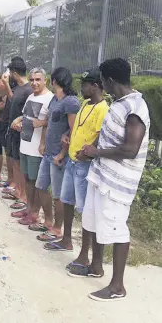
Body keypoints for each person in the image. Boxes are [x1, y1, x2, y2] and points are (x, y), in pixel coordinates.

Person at [79, 58, 150, 302]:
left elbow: (130, 149)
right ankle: (96, 266)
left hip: (118, 183)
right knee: (95, 220)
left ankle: (117, 286)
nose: (101, 85)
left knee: (117, 229)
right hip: (101, 177)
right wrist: (90, 151)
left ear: (109, 80)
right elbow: (108, 138)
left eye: (102, 80)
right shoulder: (118, 103)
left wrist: (96, 152)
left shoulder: (135, 108)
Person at [47, 67, 108, 257]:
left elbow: (99, 135)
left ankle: (85, 252)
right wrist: (67, 135)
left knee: (85, 210)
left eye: (85, 85)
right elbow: (77, 128)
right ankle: (66, 240)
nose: (81, 88)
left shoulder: (102, 109)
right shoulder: (85, 104)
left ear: (96, 86)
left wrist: (87, 153)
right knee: (66, 200)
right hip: (72, 161)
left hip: (85, 164)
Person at [33, 67, 80, 242]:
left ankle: (57, 229)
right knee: (41, 186)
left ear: (54, 81)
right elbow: (51, 121)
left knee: (59, 195)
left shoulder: (71, 102)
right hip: (48, 152)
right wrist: (43, 142)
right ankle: (48, 221)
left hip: (60, 156)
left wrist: (62, 153)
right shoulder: (55, 99)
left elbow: (73, 130)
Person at [10, 68, 54, 227]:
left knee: (36, 182)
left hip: (37, 149)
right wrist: (18, 120)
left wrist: (43, 143)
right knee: (28, 178)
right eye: (32, 80)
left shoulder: (50, 99)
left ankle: (36, 213)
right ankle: (29, 208)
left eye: (38, 79)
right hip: (25, 143)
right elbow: (27, 115)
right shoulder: (30, 96)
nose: (34, 83)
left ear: (45, 81)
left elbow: (51, 122)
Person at [3, 59, 32, 212]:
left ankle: (23, 195)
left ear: (14, 72)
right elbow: (13, 100)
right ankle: (18, 190)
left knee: (21, 165)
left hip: (22, 132)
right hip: (12, 131)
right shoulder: (19, 88)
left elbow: (31, 112)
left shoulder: (28, 89)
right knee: (15, 162)